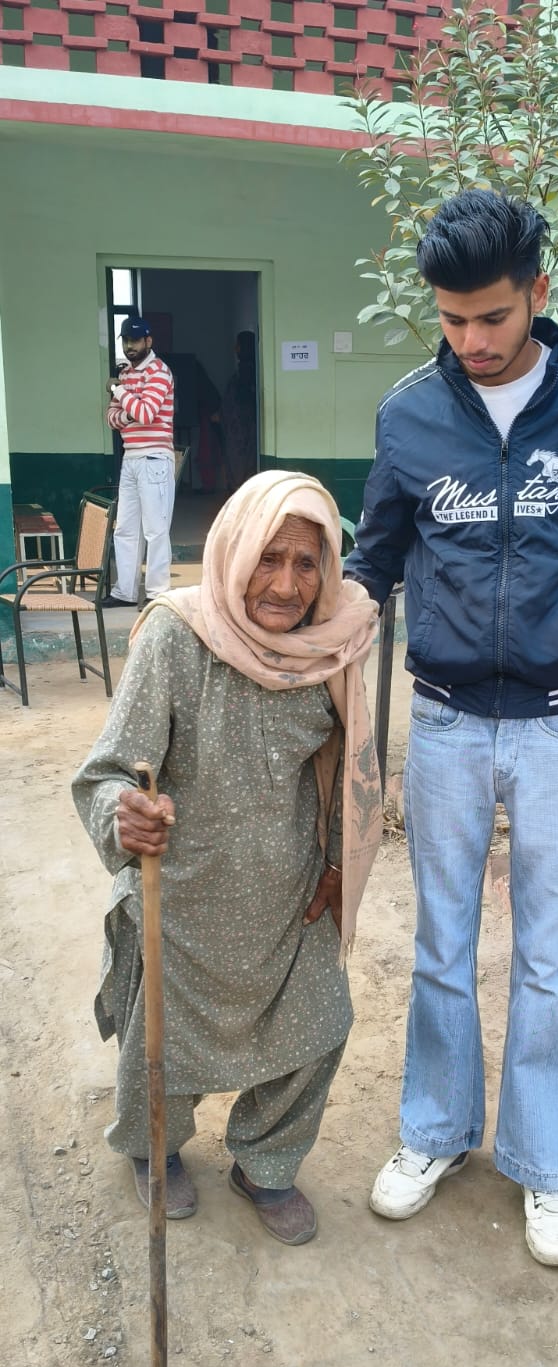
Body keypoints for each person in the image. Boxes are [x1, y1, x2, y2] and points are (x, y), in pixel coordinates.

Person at [344, 189, 558, 1266]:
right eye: (451, 320)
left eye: (491, 316)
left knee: (547, 957)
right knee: (440, 946)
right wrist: (311, 625)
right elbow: (374, 554)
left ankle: (545, 1166)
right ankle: (435, 1133)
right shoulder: (408, 415)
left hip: (556, 728)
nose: (472, 341)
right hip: (444, 725)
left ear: (536, 292)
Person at [73, 471, 381, 1245]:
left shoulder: (333, 645)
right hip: (181, 896)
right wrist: (124, 814)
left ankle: (265, 1162)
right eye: (267, 558)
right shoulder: (176, 636)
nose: (284, 585)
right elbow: (109, 772)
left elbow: (350, 769)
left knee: (322, 1026)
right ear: (233, 551)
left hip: (287, 896)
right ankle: (154, 1148)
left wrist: (337, 865)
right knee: (162, 1047)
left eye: (305, 563)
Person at [104, 314, 175, 609]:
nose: (129, 346)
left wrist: (118, 391)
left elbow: (145, 414)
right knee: (125, 529)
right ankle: (125, 591)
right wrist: (129, 411)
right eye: (126, 341)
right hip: (131, 457)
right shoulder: (126, 374)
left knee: (155, 530)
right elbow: (111, 418)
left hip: (154, 458)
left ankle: (157, 593)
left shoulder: (159, 371)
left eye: (135, 341)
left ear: (148, 341)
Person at [221, 330, 258, 495]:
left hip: (240, 431)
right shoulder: (245, 370)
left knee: (240, 466)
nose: (235, 349)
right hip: (238, 429)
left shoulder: (247, 372)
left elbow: (241, 404)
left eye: (238, 345)